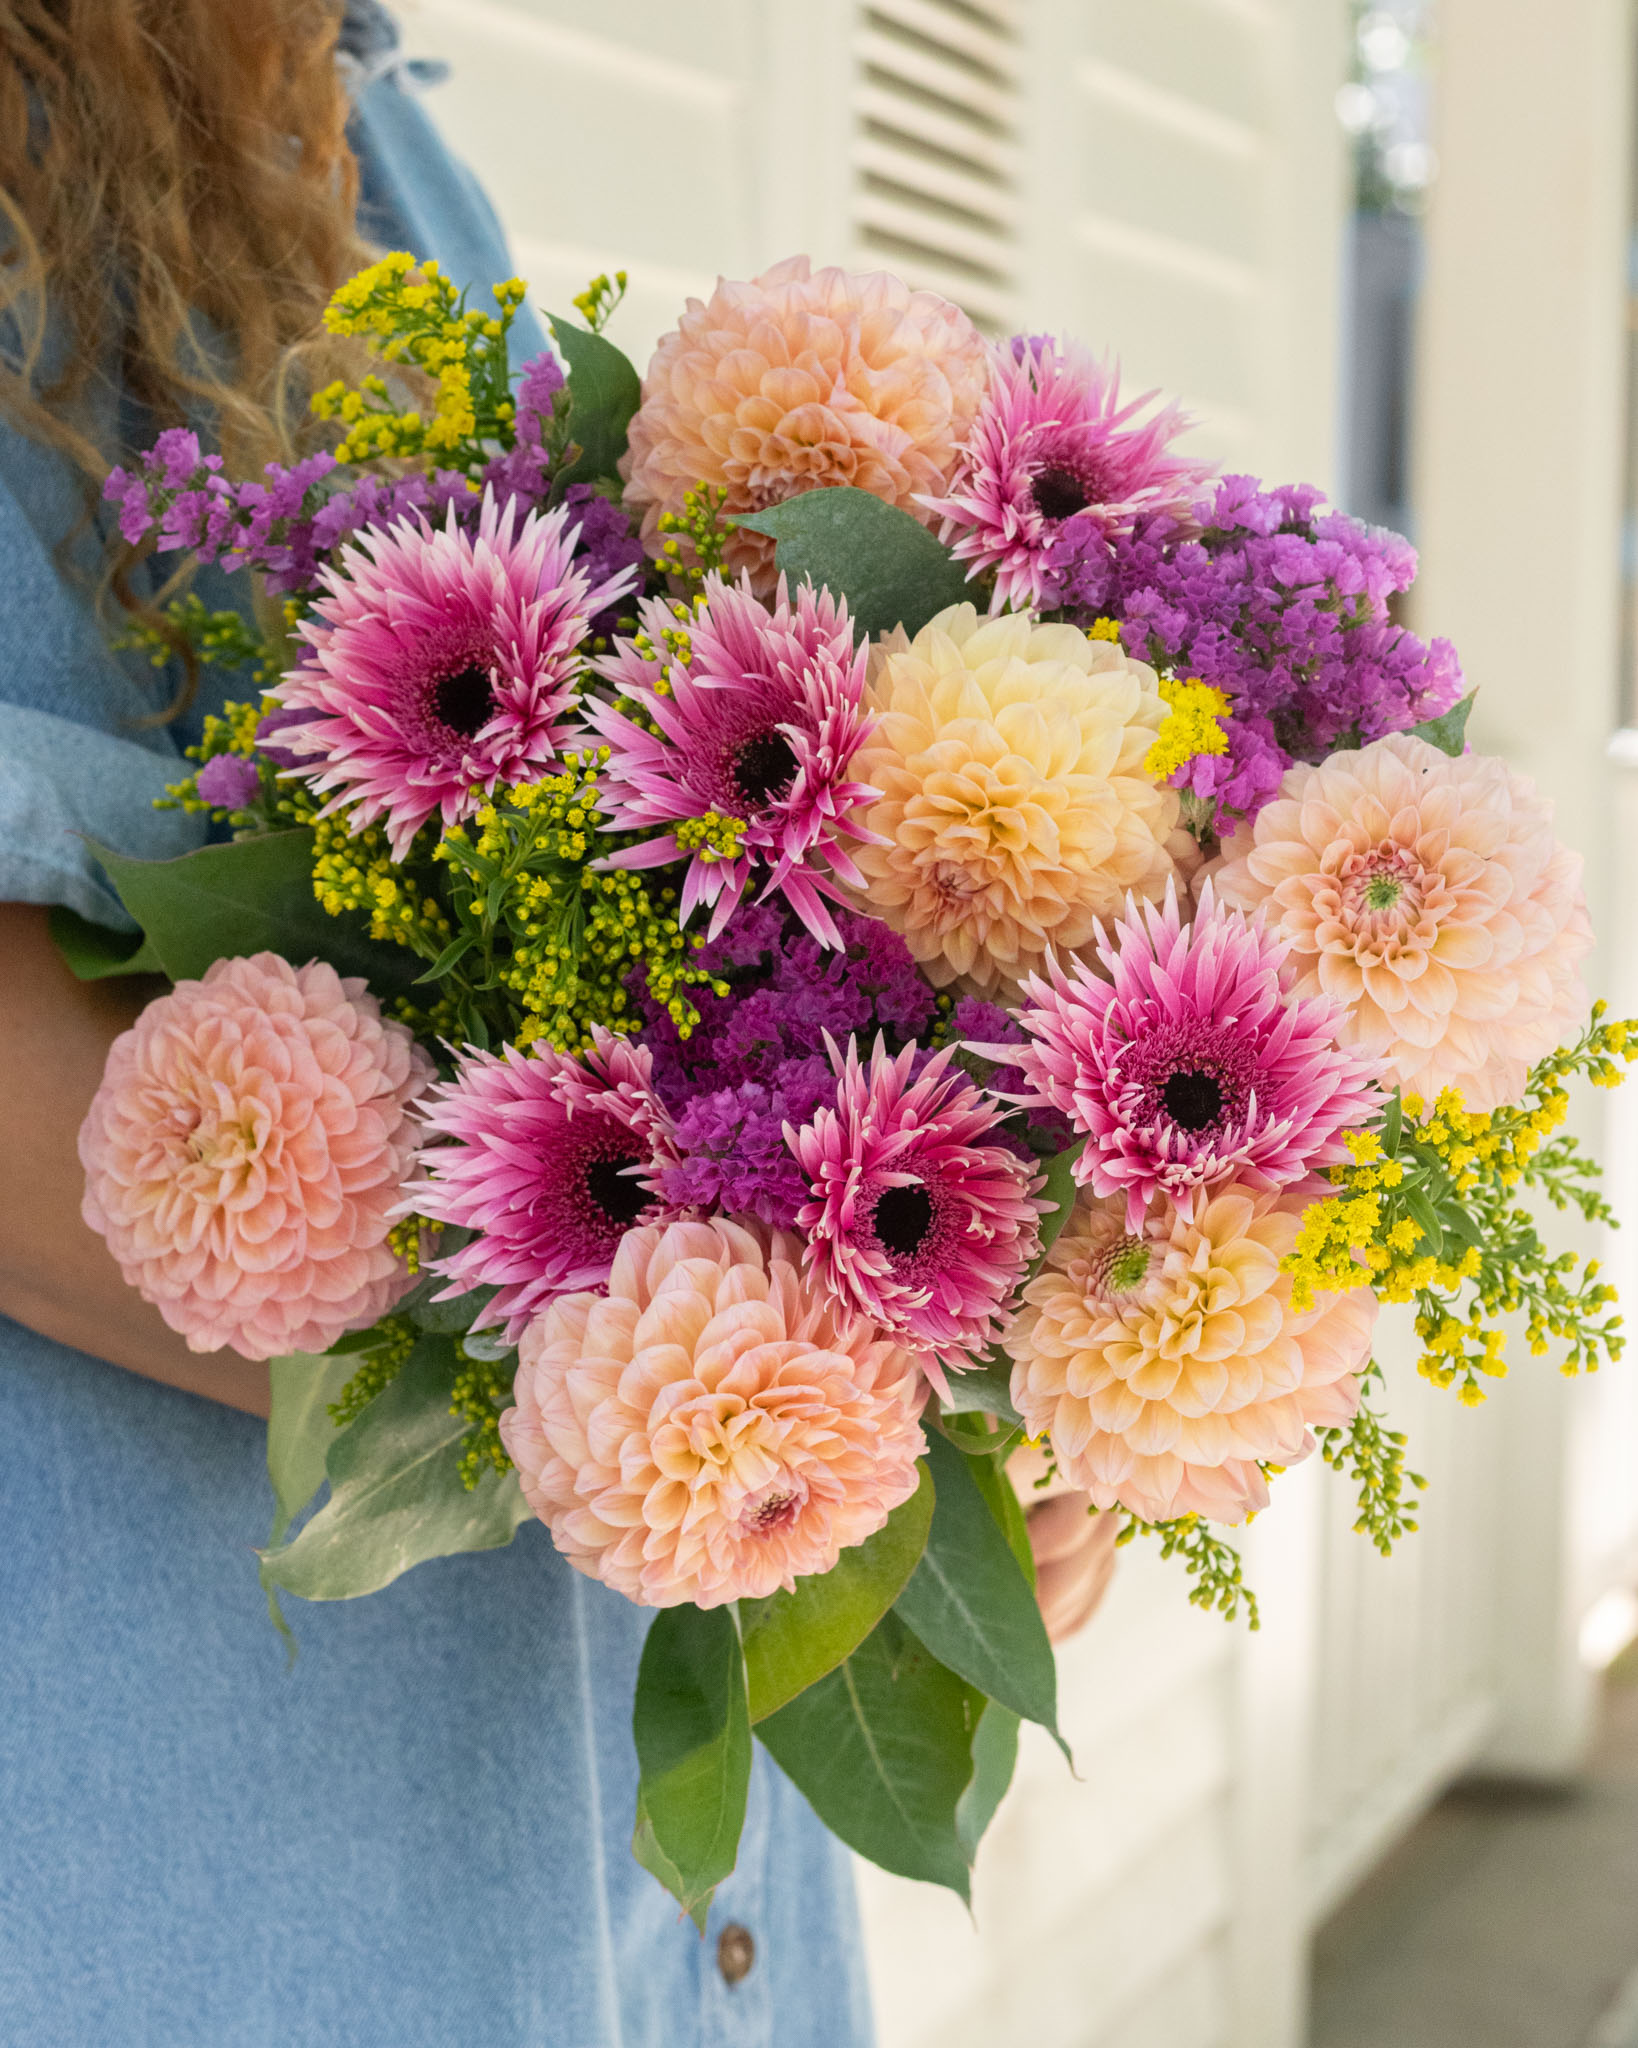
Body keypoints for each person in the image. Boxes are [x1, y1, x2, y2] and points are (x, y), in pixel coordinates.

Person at [0, 8, 1113, 2043]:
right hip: (221, 1886)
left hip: (566, 1860)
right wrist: (774, 1418)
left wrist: (1004, 1347)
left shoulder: (337, 99)